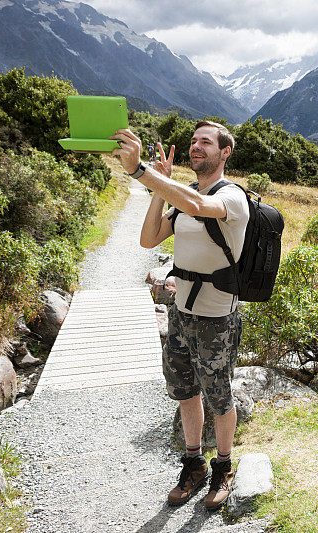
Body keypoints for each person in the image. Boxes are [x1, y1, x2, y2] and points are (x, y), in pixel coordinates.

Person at [110, 121, 248, 510]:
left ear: (225, 153)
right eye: (193, 141)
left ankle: (222, 468)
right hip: (181, 315)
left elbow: (200, 207)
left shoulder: (232, 197)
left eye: (206, 141)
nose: (196, 146)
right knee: (185, 393)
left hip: (216, 318)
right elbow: (148, 239)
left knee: (219, 397)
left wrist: (143, 172)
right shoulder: (183, 197)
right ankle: (193, 465)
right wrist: (158, 186)